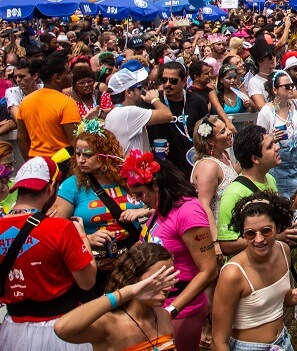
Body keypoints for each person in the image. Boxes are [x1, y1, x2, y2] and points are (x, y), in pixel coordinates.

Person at [121, 151, 218, 351]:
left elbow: (209, 270)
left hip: (181, 310)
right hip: (156, 306)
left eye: (141, 193)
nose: (141, 200)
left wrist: (171, 311)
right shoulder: (162, 208)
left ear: (156, 185)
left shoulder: (188, 212)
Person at [0, 157, 97, 351]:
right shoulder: (61, 228)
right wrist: (83, 237)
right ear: (51, 187)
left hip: (12, 330)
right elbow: (87, 282)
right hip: (62, 331)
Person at [52, 121, 149, 293]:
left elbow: (163, 207)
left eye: (88, 155)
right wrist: (86, 239)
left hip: (135, 263)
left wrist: (143, 211)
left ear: (106, 154)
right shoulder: (72, 186)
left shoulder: (129, 178)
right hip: (95, 269)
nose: (81, 160)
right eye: (78, 154)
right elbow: (54, 230)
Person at [212, 191, 297, 351]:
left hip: (283, 342)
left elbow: (280, 299)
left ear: (278, 227)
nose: (259, 239)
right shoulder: (233, 274)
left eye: (266, 230)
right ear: (243, 234)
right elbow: (219, 341)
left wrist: (294, 296)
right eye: (250, 233)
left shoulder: (283, 250)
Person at [54, 243, 180, 351]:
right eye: (158, 279)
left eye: (169, 278)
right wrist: (129, 291)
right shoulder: (109, 324)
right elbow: (62, 328)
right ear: (134, 277)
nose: (167, 287)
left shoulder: (163, 316)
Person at [216, 125, 297, 257]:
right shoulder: (233, 194)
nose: (277, 147)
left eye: (274, 143)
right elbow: (227, 246)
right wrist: (276, 238)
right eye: (269, 146)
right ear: (255, 159)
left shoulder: (269, 178)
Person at [255, 70, 297, 198]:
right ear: (275, 90)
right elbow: (258, 141)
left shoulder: (295, 104)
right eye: (287, 86)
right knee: (284, 202)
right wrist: (271, 137)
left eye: (292, 85)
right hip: (278, 167)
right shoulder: (266, 111)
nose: (291, 88)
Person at [16, 50, 82, 161]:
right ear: (57, 78)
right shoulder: (67, 103)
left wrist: (29, 162)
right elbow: (75, 142)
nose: (71, 76)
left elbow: (21, 138)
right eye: (68, 72)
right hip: (62, 166)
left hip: (36, 164)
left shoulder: (26, 101)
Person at [190, 115, 238, 257]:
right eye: (222, 131)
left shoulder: (223, 155)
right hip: (220, 235)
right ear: (210, 141)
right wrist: (215, 242)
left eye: (226, 128)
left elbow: (230, 176)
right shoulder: (208, 167)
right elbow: (203, 205)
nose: (229, 132)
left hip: (231, 229)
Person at [104, 64, 173, 154]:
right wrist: (154, 99)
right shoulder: (128, 112)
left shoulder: (115, 112)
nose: (142, 90)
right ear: (129, 92)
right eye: (139, 87)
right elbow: (168, 115)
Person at [145, 62, 196, 177]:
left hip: (190, 166)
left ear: (184, 82)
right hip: (162, 169)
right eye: (164, 80)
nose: (167, 84)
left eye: (173, 81)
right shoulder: (153, 101)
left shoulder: (197, 101)